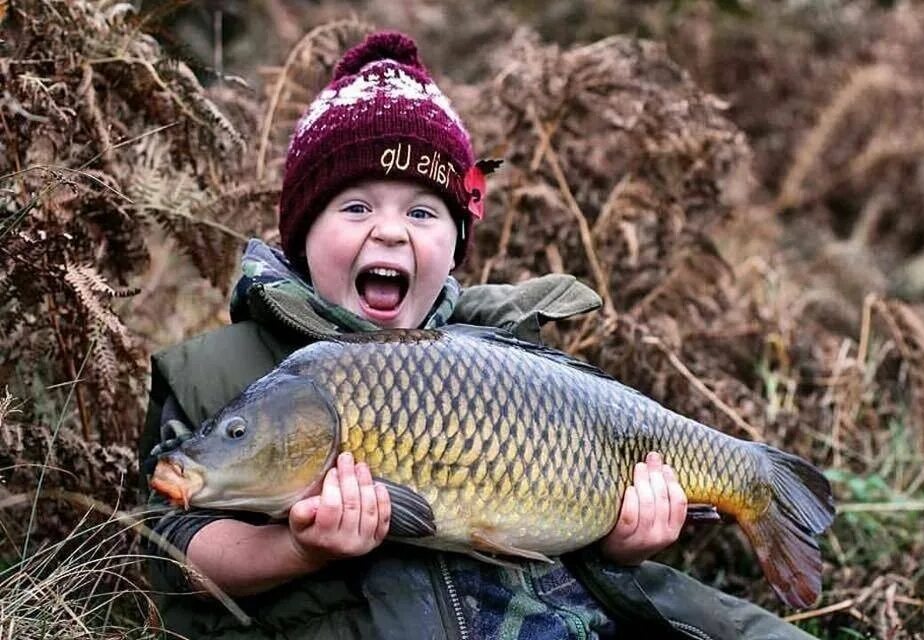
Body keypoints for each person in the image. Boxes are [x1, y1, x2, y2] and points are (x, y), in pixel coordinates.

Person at [140, 31, 817, 640]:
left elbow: (573, 531)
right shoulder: (233, 376)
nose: (391, 230)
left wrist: (626, 540)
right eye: (354, 206)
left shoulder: (501, 363)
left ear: (457, 245)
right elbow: (172, 546)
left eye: (424, 211)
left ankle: (757, 481)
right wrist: (298, 549)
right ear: (301, 233)